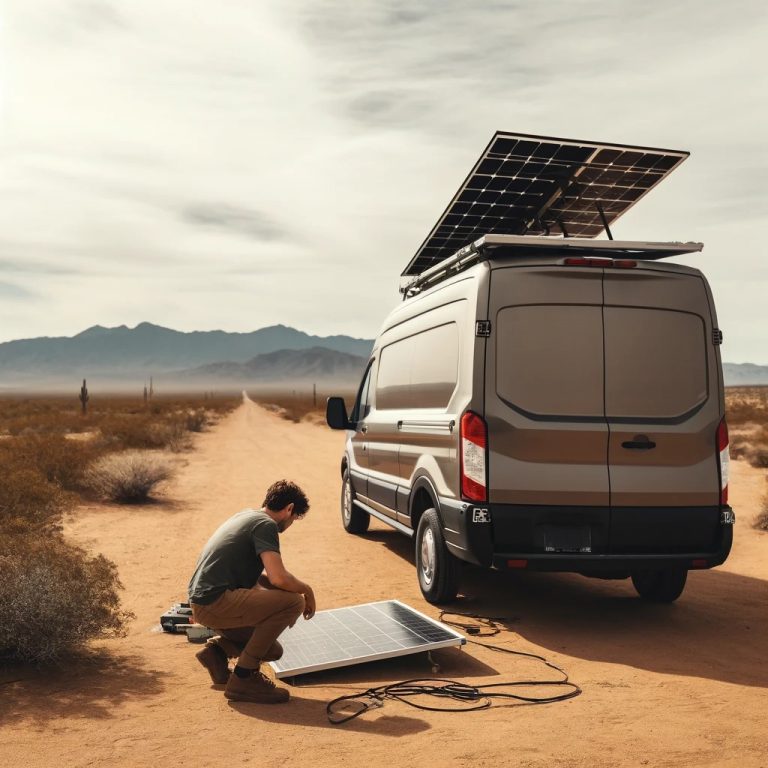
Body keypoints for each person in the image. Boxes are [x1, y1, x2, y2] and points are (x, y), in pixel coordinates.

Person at [188, 479, 315, 704]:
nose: (291, 523)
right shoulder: (266, 525)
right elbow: (279, 577)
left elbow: (259, 578)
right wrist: (306, 591)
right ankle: (244, 678)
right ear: (289, 510)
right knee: (294, 602)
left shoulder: (246, 516)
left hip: (203, 603)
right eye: (294, 518)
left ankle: (216, 653)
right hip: (216, 602)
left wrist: (278, 597)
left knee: (272, 650)